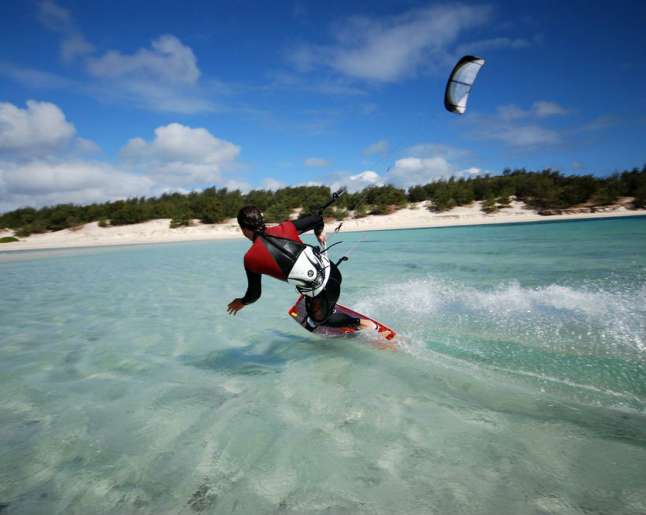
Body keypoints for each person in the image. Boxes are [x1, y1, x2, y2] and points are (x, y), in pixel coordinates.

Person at [227, 206, 369, 331]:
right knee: (311, 288)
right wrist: (319, 233)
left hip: (326, 290)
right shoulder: (286, 228)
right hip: (334, 272)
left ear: (244, 229)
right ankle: (325, 304)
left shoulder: (251, 258)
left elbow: (254, 294)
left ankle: (361, 323)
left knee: (317, 320)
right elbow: (317, 219)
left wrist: (241, 302)